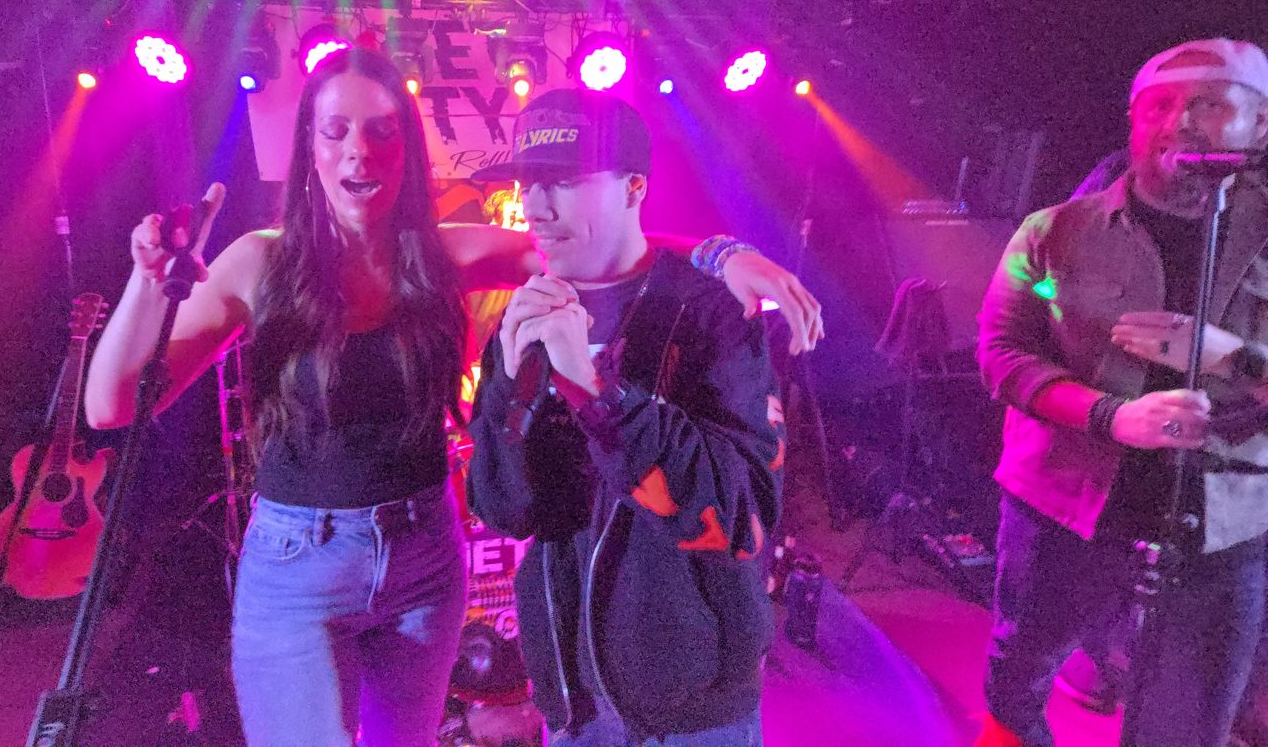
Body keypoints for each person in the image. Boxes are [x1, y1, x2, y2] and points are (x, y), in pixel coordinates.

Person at [83, 49, 821, 747]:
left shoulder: (439, 255)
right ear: (309, 144)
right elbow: (110, 405)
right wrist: (147, 284)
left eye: (382, 131)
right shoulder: (260, 259)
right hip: (301, 562)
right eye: (335, 131)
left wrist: (723, 251)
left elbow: (599, 243)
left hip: (422, 554)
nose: (358, 152)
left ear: (407, 148)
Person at [974, 38, 1268, 747]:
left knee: (1186, 718)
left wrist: (1233, 359)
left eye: (1209, 104)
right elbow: (1002, 352)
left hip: (1224, 518)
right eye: (1158, 106)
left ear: (1259, 125)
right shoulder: (1052, 231)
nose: (1179, 122)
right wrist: (1112, 417)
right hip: (1064, 505)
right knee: (1019, 671)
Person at [467, 89, 782, 746]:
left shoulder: (712, 314)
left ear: (635, 187)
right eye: (528, 182)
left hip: (692, 714)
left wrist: (596, 389)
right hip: (571, 701)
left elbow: (741, 516)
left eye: (563, 181)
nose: (534, 206)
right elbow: (506, 510)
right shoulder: (526, 315)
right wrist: (507, 398)